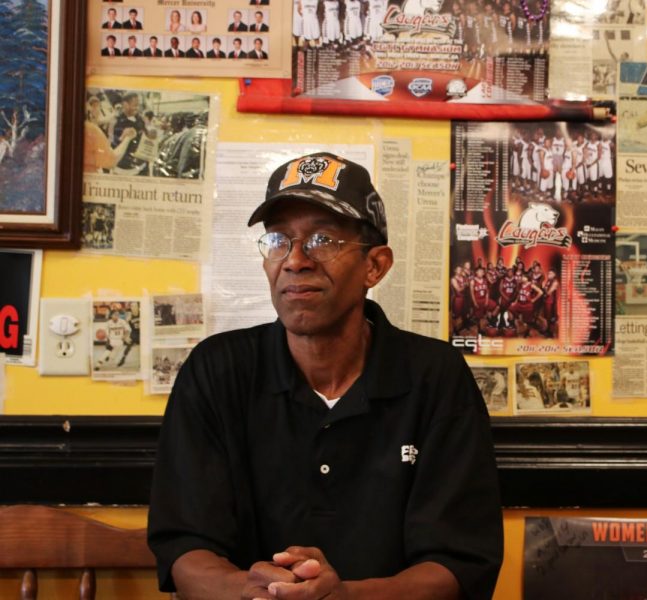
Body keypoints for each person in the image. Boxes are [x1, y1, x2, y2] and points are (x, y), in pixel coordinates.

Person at [148, 152, 503, 599]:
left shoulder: (435, 377)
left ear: (374, 266)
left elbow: (458, 564)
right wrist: (250, 589)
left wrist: (344, 598)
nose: (295, 260)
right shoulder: (217, 371)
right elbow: (185, 546)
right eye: (279, 240)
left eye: (322, 240)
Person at [84, 96, 136, 174]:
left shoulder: (93, 125)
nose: (98, 110)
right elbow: (111, 160)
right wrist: (128, 138)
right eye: (97, 106)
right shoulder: (91, 129)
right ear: (90, 107)